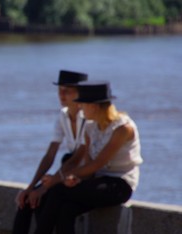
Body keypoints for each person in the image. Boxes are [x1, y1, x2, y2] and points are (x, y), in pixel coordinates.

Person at [34, 81, 143, 234]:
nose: (79, 107)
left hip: (120, 185)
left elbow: (98, 163)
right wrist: (77, 180)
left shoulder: (122, 128)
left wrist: (58, 179)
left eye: (82, 104)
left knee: (57, 191)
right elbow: (89, 166)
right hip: (97, 182)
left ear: (93, 106)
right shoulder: (90, 128)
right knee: (66, 209)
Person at [12, 70, 88, 234]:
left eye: (67, 90)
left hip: (83, 173)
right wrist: (31, 187)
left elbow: (78, 158)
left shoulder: (88, 118)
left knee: (45, 198)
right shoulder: (63, 115)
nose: (61, 95)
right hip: (67, 171)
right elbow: (50, 155)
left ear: (80, 92)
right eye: (59, 90)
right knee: (26, 200)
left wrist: (46, 187)